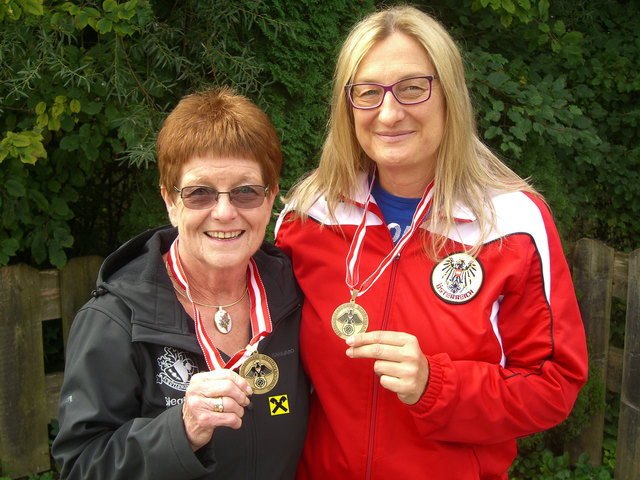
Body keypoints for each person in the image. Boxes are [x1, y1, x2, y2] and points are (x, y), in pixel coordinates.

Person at [275, 5, 588, 479]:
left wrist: (437, 386)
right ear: (347, 105)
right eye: (367, 92)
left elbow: (554, 386)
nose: (389, 112)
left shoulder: (512, 225)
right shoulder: (308, 217)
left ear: (450, 96)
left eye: (412, 88)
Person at [52, 87, 309, 479]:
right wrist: (180, 431)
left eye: (245, 191)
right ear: (170, 201)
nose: (224, 212)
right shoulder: (116, 319)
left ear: (271, 195)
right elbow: (80, 464)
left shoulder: (296, 296)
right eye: (199, 193)